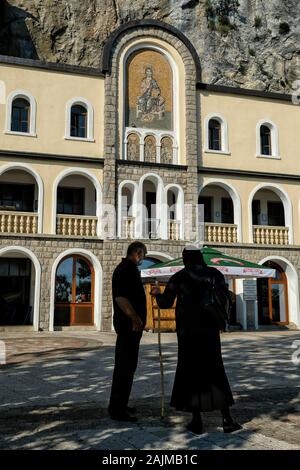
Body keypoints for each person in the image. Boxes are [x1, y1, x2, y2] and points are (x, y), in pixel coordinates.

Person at [151, 246, 242, 434]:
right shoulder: (215, 273)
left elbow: (165, 303)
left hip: (188, 332)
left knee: (190, 372)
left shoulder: (179, 277)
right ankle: (226, 419)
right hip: (209, 330)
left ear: (185, 259)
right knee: (215, 371)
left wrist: (156, 294)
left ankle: (197, 421)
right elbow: (226, 296)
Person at [108, 241, 147, 422]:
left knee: (127, 368)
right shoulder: (126, 270)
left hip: (130, 328)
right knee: (124, 369)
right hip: (128, 328)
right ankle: (117, 410)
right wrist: (135, 318)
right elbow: (121, 299)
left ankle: (120, 404)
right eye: (143, 256)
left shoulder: (128, 269)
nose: (142, 260)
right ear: (137, 253)